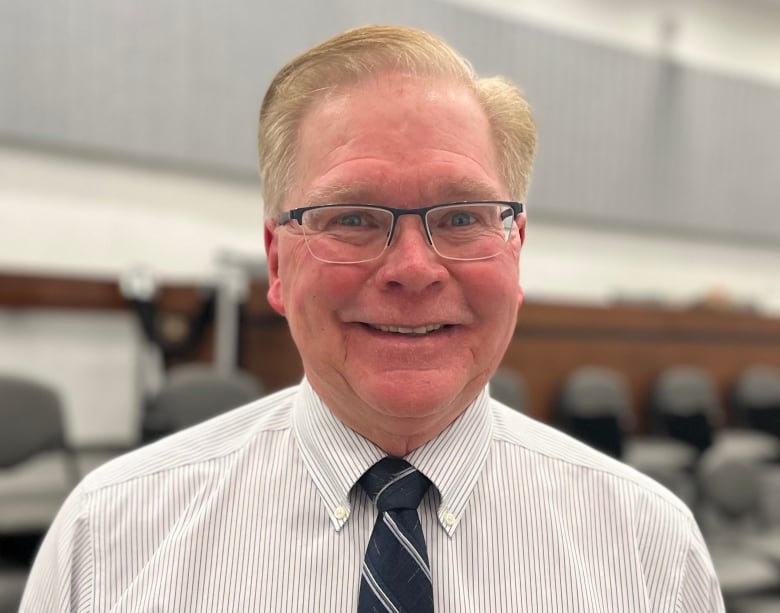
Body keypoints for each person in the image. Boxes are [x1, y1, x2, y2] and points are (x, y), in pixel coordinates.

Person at [21, 24, 724, 611]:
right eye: (352, 217)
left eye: (461, 216)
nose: (414, 267)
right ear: (276, 261)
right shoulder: (106, 540)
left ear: (516, 247)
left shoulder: (650, 551)